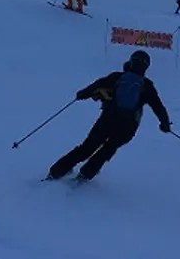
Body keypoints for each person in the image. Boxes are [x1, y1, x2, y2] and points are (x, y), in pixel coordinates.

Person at [45, 49, 171, 183]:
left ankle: (57, 171)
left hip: (108, 119)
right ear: (146, 67)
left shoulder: (117, 77)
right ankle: (85, 175)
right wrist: (165, 124)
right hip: (129, 127)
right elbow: (158, 107)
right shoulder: (147, 85)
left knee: (87, 147)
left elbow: (96, 85)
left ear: (131, 61)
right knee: (108, 149)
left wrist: (82, 94)